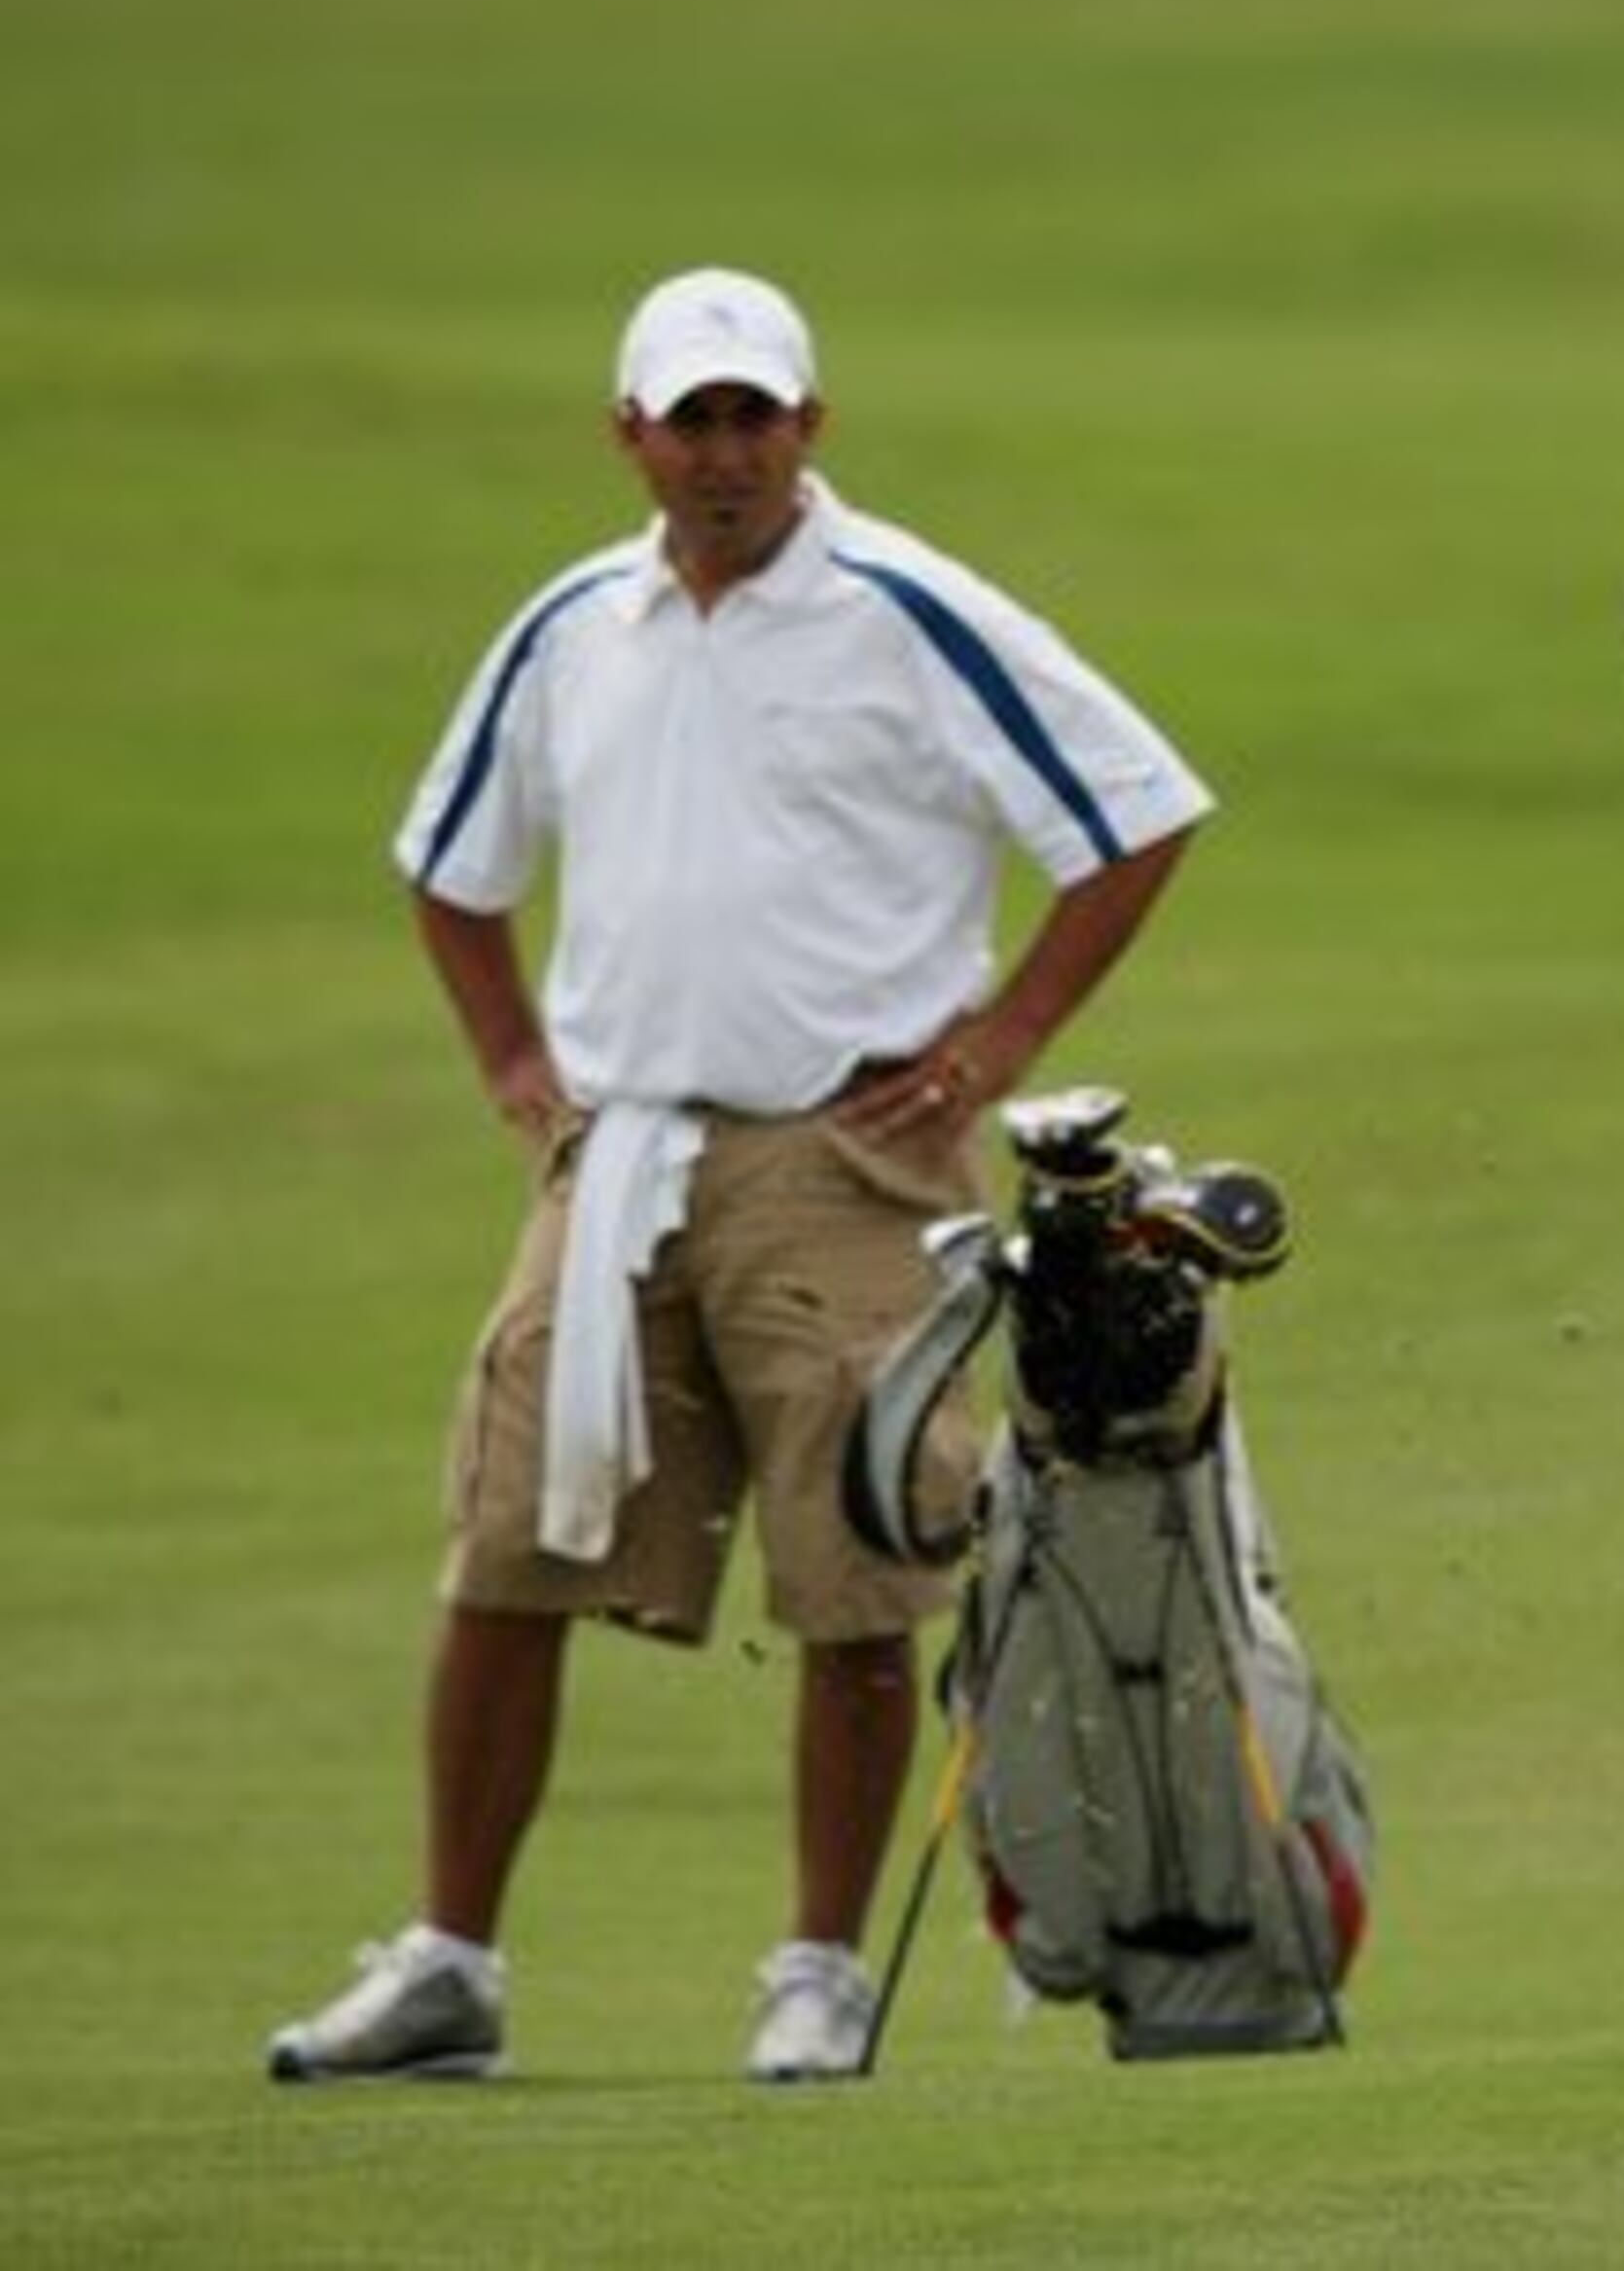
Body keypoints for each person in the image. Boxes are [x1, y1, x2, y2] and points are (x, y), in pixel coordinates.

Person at [268, 267, 1217, 2083]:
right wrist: (509, 1064)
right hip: (615, 1157)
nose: (725, 454)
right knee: (501, 1556)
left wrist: (1002, 1041)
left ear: (811, 427)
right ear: (629, 435)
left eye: (753, 417)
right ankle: (451, 1961)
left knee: (857, 1568)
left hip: (849, 1156)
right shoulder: (571, 627)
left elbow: (1140, 804)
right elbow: (450, 863)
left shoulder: (909, 610)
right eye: (689, 420)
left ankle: (817, 1973)